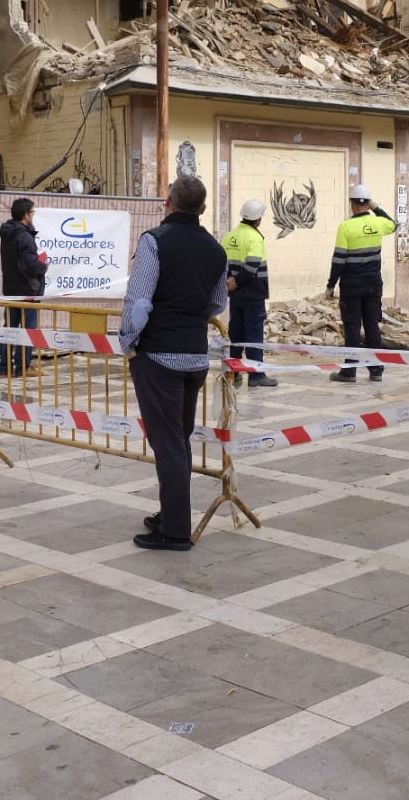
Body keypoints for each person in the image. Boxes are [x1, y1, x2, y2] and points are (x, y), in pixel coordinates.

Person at [121, 175, 228, 551]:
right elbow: (217, 304)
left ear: (168, 202)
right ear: (202, 209)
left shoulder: (154, 242)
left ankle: (176, 531)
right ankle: (171, 514)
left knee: (166, 444)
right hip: (195, 356)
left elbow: (139, 301)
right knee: (177, 440)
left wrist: (127, 342)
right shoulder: (216, 250)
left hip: (159, 355)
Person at [326, 184, 397, 383]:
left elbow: (339, 259)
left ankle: (349, 371)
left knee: (352, 328)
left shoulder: (346, 227)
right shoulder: (378, 224)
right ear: (367, 203)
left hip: (351, 286)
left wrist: (331, 285)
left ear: (352, 205)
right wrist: (376, 207)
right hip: (373, 284)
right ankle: (376, 370)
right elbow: (393, 224)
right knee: (372, 325)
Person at [223, 199, 278, 388]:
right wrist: (237, 281)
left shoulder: (230, 236)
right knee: (254, 335)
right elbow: (252, 266)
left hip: (236, 295)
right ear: (258, 220)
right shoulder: (254, 238)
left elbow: (223, 264)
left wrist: (231, 282)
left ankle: (235, 372)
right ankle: (256, 375)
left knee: (236, 333)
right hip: (253, 294)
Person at [0, 198, 48, 378]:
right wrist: (43, 265)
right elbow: (31, 265)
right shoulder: (24, 236)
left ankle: (4, 368)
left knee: (9, 328)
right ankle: (22, 367)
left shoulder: (8, 233)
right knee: (28, 329)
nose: (34, 216)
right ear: (26, 215)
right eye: (32, 212)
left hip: (11, 289)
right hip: (27, 291)